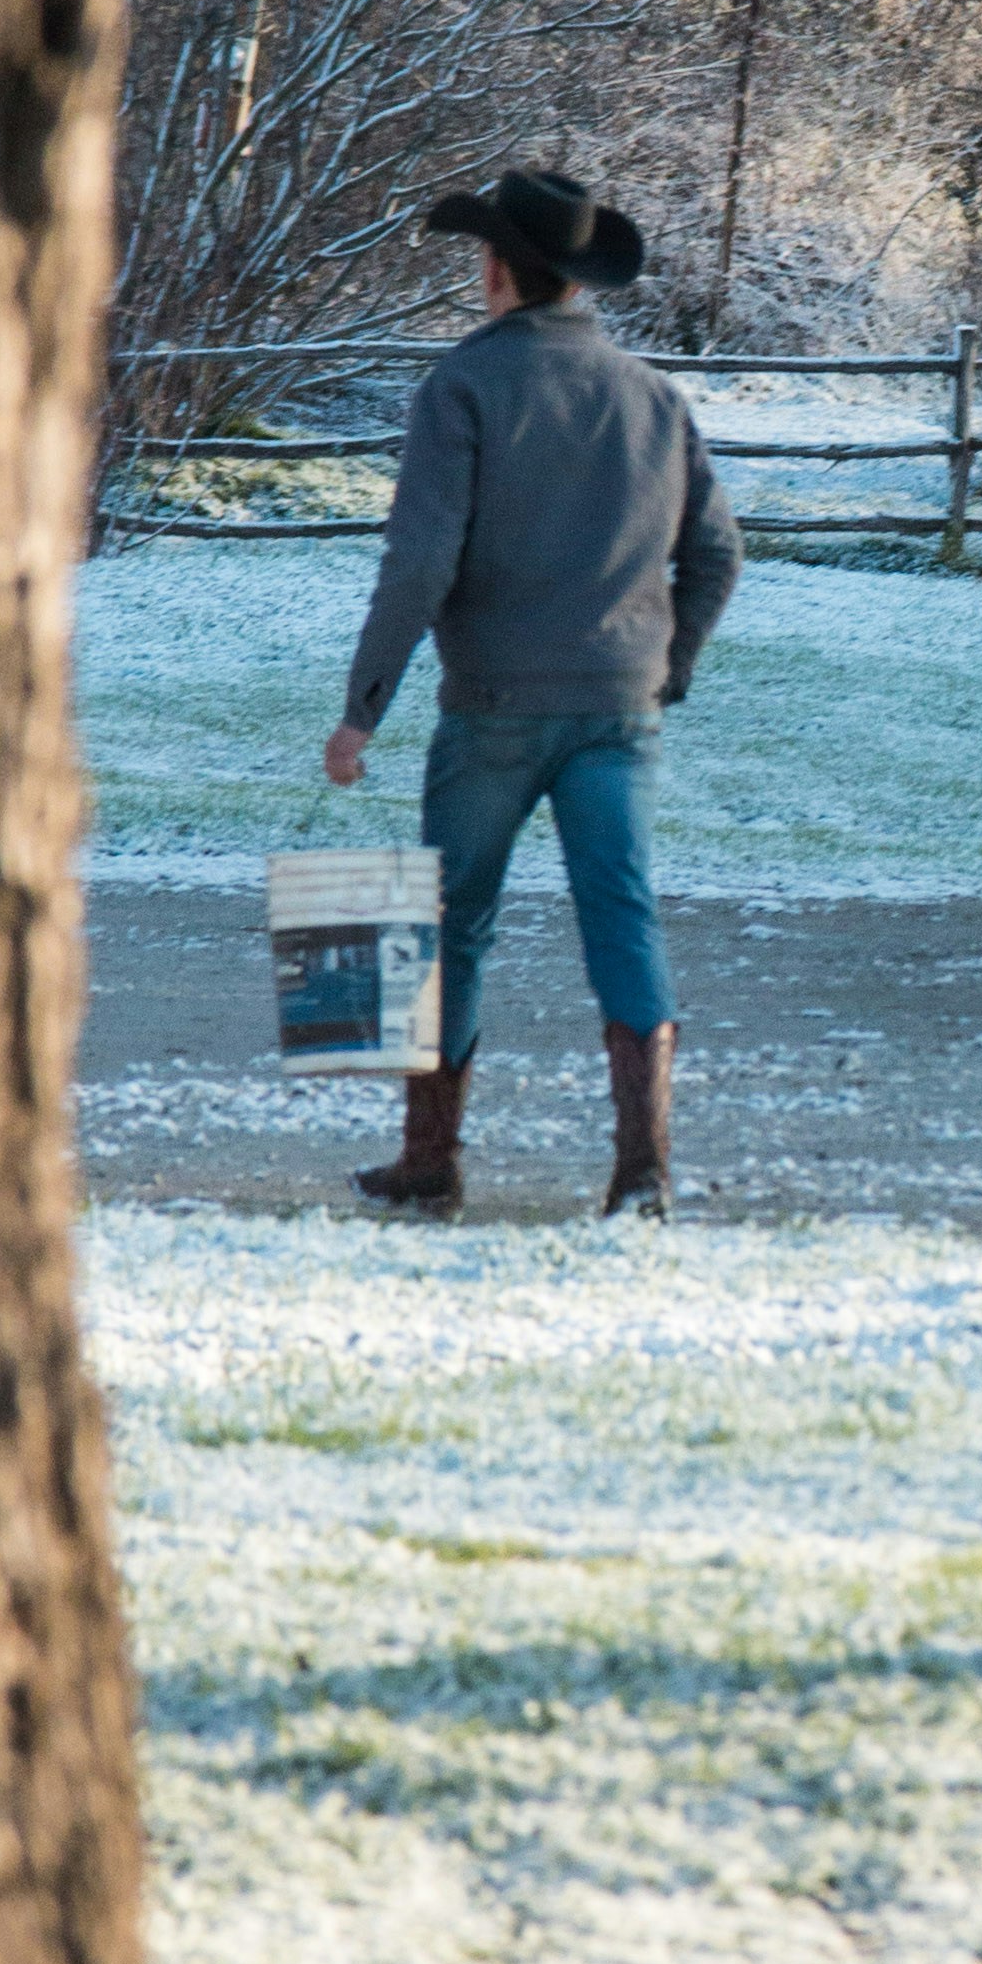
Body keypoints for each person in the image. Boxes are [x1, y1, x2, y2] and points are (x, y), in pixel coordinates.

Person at [324, 168, 741, 1217]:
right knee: (623, 916)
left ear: (502, 268)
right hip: (618, 709)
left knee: (453, 922)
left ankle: (432, 1162)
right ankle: (642, 1169)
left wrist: (361, 707)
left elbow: (419, 564)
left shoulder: (460, 388)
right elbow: (719, 553)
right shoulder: (654, 396)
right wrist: (667, 664)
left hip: (493, 708)